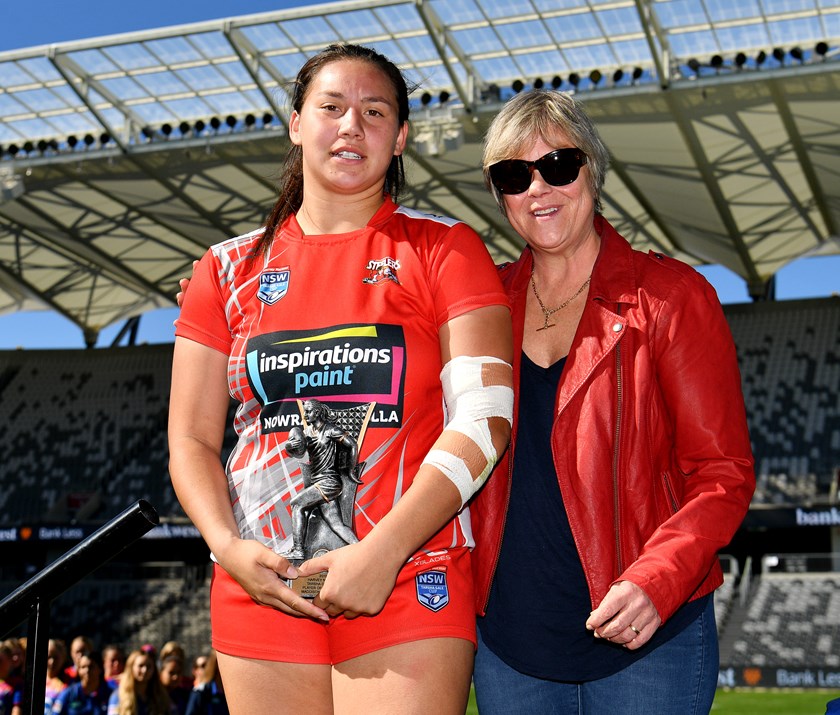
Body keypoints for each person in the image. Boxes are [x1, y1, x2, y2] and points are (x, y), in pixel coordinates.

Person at [168, 42, 513, 714]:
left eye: (374, 111)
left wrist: (383, 551)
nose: (351, 125)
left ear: (402, 136)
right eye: (331, 107)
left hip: (408, 573)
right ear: (296, 122)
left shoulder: (445, 248)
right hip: (262, 584)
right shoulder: (224, 269)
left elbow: (487, 414)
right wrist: (225, 545)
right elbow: (189, 437)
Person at [468, 88, 756, 713]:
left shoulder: (673, 297)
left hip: (651, 643)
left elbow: (722, 474)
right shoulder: (480, 305)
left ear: (592, 169)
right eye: (515, 175)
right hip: (510, 649)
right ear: (500, 195)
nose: (539, 188)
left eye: (559, 166)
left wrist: (659, 580)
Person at [107, 650, 173, 715]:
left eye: (149, 666)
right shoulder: (118, 696)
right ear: (131, 667)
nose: (145, 670)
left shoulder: (160, 696)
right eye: (140, 666)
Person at [52, 650, 112, 715]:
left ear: (100, 669)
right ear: (78, 670)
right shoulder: (69, 693)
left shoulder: (109, 694)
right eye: (83, 667)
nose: (87, 670)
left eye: (91, 667)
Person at [45, 639, 70, 715]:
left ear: (63, 658)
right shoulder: (33, 679)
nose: (52, 662)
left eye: (56, 657)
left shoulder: (69, 681)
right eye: (49, 657)